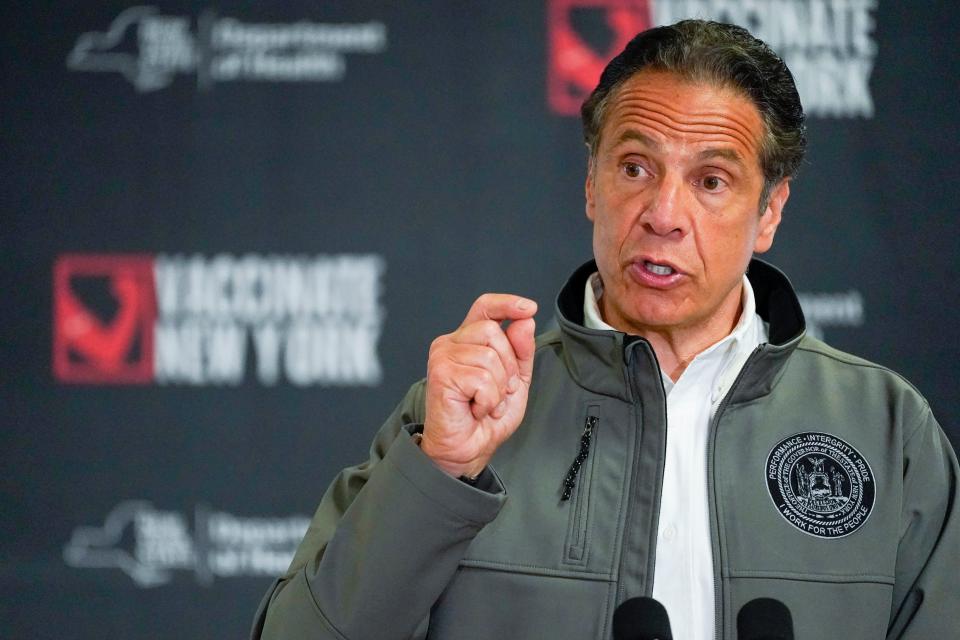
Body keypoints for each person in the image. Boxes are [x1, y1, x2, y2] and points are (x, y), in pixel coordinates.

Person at [251, 20, 959, 640]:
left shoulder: (887, 429)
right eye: (634, 167)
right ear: (592, 183)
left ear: (769, 212)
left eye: (711, 181)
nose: (663, 213)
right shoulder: (471, 418)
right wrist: (438, 474)